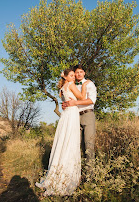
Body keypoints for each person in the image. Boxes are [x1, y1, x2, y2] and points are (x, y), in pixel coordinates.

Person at [35, 68, 90, 196]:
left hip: (66, 115)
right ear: (66, 77)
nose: (73, 77)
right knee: (70, 142)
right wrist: (85, 86)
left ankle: (57, 174)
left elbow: (64, 100)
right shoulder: (70, 84)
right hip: (71, 114)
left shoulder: (62, 88)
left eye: (73, 75)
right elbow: (81, 97)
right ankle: (66, 178)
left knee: (63, 141)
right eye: (71, 75)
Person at [63, 64, 97, 166]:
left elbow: (91, 100)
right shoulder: (71, 84)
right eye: (76, 72)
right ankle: (78, 173)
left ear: (84, 73)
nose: (79, 74)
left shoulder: (89, 84)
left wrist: (75, 103)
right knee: (75, 145)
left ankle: (90, 176)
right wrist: (65, 104)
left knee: (89, 145)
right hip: (74, 117)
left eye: (81, 72)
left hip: (87, 115)